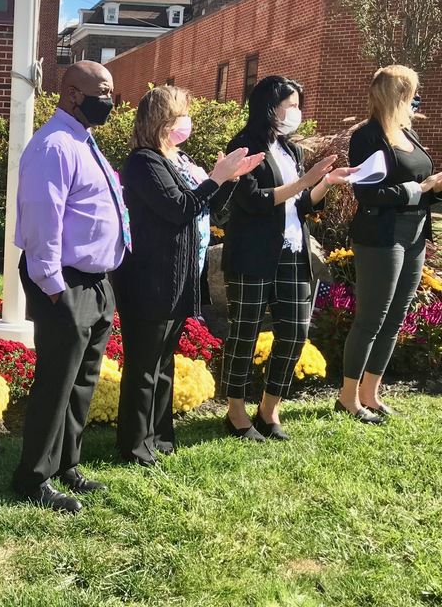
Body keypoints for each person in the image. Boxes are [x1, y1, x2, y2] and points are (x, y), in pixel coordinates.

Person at [113, 86, 263, 466]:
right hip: (150, 280)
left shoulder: (177, 159)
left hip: (180, 278)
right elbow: (178, 208)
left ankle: (160, 437)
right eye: (181, 115)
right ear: (162, 120)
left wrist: (229, 180)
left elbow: (205, 208)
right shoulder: (144, 162)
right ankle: (135, 446)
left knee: (163, 365)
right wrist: (216, 176)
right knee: (144, 368)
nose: (187, 122)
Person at [11, 60, 127, 514]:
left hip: (95, 282)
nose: (110, 100)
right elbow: (43, 222)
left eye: (112, 91)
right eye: (102, 90)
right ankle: (33, 477)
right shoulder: (54, 146)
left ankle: (67, 464)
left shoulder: (85, 141)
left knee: (83, 380)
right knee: (57, 382)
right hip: (64, 281)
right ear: (73, 93)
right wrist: (55, 288)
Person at [218, 76, 350, 441]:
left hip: (293, 252)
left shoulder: (290, 150)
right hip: (254, 254)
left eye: (297, 105)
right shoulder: (244, 145)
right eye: (290, 105)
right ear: (268, 106)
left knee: (294, 332)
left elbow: (302, 205)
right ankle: (235, 413)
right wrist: (303, 181)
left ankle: (269, 408)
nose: (296, 112)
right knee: (245, 332)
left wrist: (325, 183)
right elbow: (253, 201)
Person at [337, 65, 442, 421]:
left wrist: (434, 190)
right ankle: (348, 396)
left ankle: (370, 391)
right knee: (371, 319)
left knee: (395, 317)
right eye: (413, 94)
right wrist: (419, 189)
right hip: (381, 235)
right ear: (396, 95)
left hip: (414, 234)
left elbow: (420, 182)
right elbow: (367, 193)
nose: (417, 101)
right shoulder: (368, 137)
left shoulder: (408, 136)